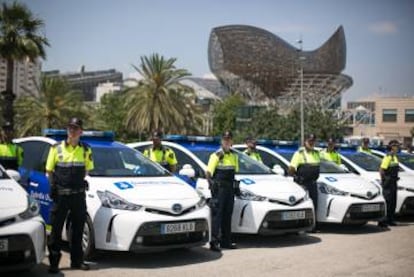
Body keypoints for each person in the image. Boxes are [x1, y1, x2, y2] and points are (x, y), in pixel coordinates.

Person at [46, 118, 94, 273]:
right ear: (67, 130)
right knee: (56, 230)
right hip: (61, 196)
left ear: (81, 131)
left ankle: (77, 261)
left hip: (78, 196)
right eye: (70, 128)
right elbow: (49, 171)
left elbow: (87, 170)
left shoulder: (86, 150)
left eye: (75, 128)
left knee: (78, 229)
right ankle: (54, 263)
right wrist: (54, 186)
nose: (72, 131)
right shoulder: (56, 148)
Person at [206, 130, 239, 252]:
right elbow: (208, 172)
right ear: (221, 141)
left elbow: (234, 172)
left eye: (229, 140)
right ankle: (214, 242)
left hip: (229, 188)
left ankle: (226, 241)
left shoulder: (234, 156)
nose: (227, 142)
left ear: (232, 141)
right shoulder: (216, 155)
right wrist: (211, 184)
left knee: (227, 215)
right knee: (217, 215)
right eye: (225, 140)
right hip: (219, 189)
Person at [288, 134, 320, 228]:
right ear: (305, 141)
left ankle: (313, 226)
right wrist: (297, 177)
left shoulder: (316, 153)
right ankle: (299, 226)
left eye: (313, 141)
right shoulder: (299, 153)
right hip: (302, 184)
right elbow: (291, 169)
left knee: (314, 205)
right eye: (310, 141)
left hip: (313, 183)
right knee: (302, 206)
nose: (311, 143)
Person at [378, 140, 400, 228]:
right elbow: (381, 169)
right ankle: (382, 221)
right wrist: (384, 181)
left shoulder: (395, 157)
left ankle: (390, 220)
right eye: (396, 146)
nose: (397, 147)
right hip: (388, 183)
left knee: (393, 202)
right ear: (392, 147)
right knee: (387, 202)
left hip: (393, 182)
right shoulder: (388, 157)